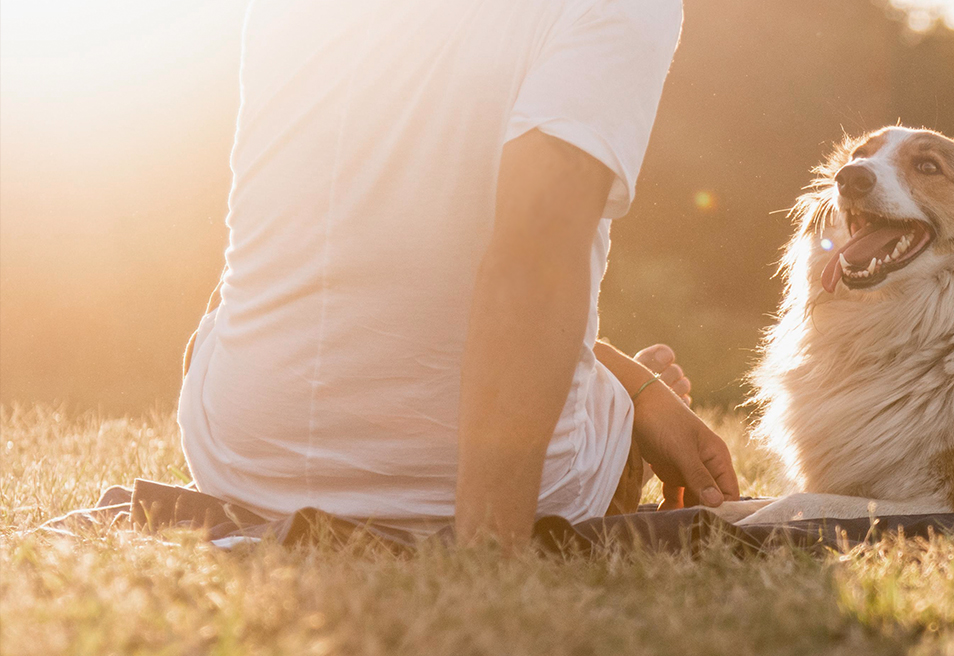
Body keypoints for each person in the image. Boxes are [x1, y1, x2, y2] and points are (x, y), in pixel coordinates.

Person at [177, 0, 736, 549]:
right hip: (482, 498)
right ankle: (603, 402)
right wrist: (488, 553)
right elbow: (532, 257)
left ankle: (603, 383)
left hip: (240, 468)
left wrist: (632, 387)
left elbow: (364, 271)